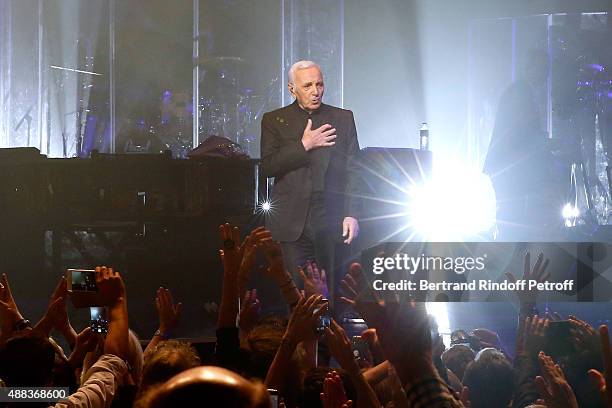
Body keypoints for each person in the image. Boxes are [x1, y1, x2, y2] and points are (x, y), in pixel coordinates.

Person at [260, 60, 361, 292]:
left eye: (319, 84)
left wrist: (352, 213)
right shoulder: (275, 120)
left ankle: (331, 327)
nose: (315, 91)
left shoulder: (343, 118)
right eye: (307, 86)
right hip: (292, 218)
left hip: (330, 214)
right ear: (291, 89)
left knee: (332, 291)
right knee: (298, 293)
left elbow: (354, 170)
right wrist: (304, 145)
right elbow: (267, 167)